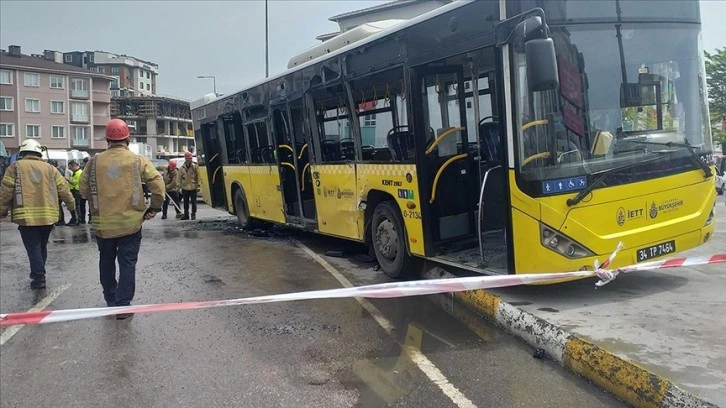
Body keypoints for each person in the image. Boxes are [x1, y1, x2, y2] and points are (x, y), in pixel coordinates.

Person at [79, 119, 165, 319]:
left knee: (106, 261)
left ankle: (111, 299)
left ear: (107, 139)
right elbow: (158, 186)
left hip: (103, 225)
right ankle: (123, 306)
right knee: (127, 263)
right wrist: (153, 208)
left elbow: (83, 189)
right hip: (131, 224)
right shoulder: (137, 160)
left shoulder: (94, 161)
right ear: (128, 138)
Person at [0, 139, 76, 289]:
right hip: (48, 218)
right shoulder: (50, 168)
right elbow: (64, 190)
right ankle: (40, 272)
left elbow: (6, 192)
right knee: (41, 247)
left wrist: (2, 210)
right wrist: (72, 208)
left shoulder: (15, 167)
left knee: (33, 248)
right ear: (38, 152)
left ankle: (39, 277)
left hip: (26, 217)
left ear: (23, 152)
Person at [178, 151, 199, 220]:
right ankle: (186, 215)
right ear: (185, 159)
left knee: (193, 203)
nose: (188, 160)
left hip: (193, 187)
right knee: (185, 203)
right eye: (187, 159)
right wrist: (179, 187)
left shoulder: (195, 167)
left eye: (189, 158)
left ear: (191, 158)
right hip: (185, 188)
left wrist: (198, 186)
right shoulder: (182, 168)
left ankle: (193, 215)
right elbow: (179, 178)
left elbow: (198, 177)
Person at [66, 160, 86, 225]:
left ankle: (78, 220)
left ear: (74, 166)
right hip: (74, 191)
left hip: (77, 191)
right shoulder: (75, 172)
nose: (70, 169)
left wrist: (67, 179)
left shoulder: (79, 173)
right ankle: (77, 219)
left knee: (77, 206)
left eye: (70, 167)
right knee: (76, 206)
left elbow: (74, 183)